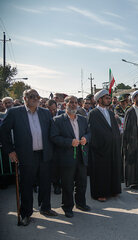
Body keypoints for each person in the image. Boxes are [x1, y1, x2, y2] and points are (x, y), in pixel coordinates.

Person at [0, 89, 57, 226]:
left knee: (45, 183)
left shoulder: (44, 112)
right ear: (24, 98)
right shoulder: (14, 112)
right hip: (25, 155)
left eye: (36, 96)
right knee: (26, 185)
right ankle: (26, 213)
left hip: (44, 154)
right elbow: (3, 131)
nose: (34, 98)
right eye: (31, 96)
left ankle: (45, 208)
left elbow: (52, 131)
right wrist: (10, 151)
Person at [51, 96, 91, 218]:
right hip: (66, 157)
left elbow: (90, 133)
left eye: (75, 103)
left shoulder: (83, 120)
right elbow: (54, 137)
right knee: (67, 184)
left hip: (81, 156)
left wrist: (86, 139)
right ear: (65, 104)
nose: (73, 105)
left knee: (82, 182)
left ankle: (80, 203)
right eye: (70, 102)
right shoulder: (57, 120)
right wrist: (69, 142)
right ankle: (67, 207)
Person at [88, 89, 123, 202]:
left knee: (112, 168)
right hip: (100, 148)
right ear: (99, 100)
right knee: (101, 171)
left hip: (112, 147)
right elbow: (94, 131)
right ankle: (100, 193)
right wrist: (102, 142)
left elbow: (114, 129)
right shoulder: (93, 113)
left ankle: (113, 190)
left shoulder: (111, 113)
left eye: (109, 98)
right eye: (106, 98)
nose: (109, 100)